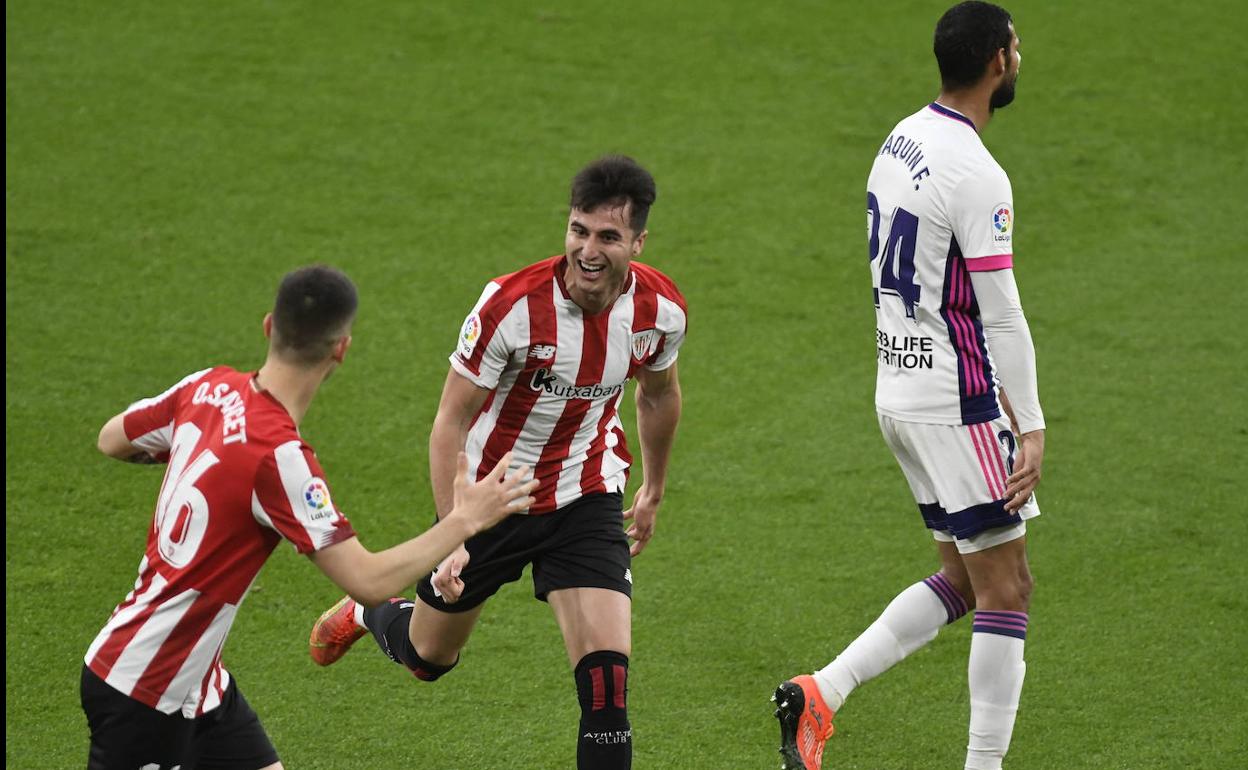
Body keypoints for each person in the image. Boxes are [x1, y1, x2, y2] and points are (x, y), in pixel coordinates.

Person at [309, 155, 687, 770]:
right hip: (490, 498)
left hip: (586, 492)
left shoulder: (661, 311)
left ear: (638, 242)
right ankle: (370, 611)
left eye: (608, 237)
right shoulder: (511, 307)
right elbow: (448, 423)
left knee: (607, 693)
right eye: (578, 231)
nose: (588, 252)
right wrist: (451, 533)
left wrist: (654, 488)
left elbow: (659, 393)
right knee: (428, 661)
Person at [81, 266, 536, 770]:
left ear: (269, 325)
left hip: (198, 684)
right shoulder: (277, 457)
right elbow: (367, 580)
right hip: (146, 692)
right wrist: (464, 520)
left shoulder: (204, 388)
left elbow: (112, 439)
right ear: (341, 349)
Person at [773, 4, 1044, 769]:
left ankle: (820, 692)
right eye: (1015, 47)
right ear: (998, 60)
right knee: (1008, 587)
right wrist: (1031, 425)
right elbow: (1003, 311)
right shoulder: (978, 172)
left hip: (899, 393)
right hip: (958, 404)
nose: (1018, 57)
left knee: (963, 574)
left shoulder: (902, 138)